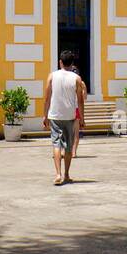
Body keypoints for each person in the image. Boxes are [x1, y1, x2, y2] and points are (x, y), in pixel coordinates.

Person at [44, 49, 87, 186]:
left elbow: (47, 98)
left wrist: (45, 116)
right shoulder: (76, 79)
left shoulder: (52, 76)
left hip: (55, 115)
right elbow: (80, 100)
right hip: (70, 115)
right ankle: (67, 174)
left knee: (56, 144)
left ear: (60, 62)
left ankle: (58, 174)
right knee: (68, 146)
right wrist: (82, 119)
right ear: (72, 63)